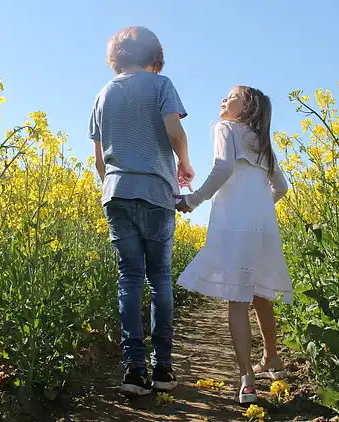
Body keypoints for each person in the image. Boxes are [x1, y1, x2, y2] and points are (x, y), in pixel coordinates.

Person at [88, 26, 194, 397]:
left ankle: (134, 370)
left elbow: (99, 159)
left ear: (116, 56)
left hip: (116, 193)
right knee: (159, 278)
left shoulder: (103, 94)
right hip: (155, 191)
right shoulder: (161, 85)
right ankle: (163, 368)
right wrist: (185, 163)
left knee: (129, 279)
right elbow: (174, 131)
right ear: (154, 56)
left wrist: (113, 186)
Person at [175, 86, 293, 404]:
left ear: (247, 106)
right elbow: (281, 187)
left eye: (231, 96)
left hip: (235, 225)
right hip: (263, 225)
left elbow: (223, 168)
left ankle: (247, 381)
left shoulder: (225, 128)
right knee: (260, 294)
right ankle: (272, 358)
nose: (223, 100)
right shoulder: (262, 140)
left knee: (238, 300)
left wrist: (193, 200)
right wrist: (260, 207)